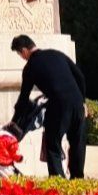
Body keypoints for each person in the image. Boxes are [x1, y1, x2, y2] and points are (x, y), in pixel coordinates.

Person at [10, 34, 86, 179]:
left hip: (59, 105)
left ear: (24, 50)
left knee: (52, 143)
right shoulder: (57, 54)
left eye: (20, 54)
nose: (22, 57)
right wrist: (83, 102)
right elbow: (80, 77)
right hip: (77, 104)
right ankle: (78, 180)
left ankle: (58, 180)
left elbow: (23, 99)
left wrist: (14, 122)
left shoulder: (30, 67)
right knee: (78, 143)